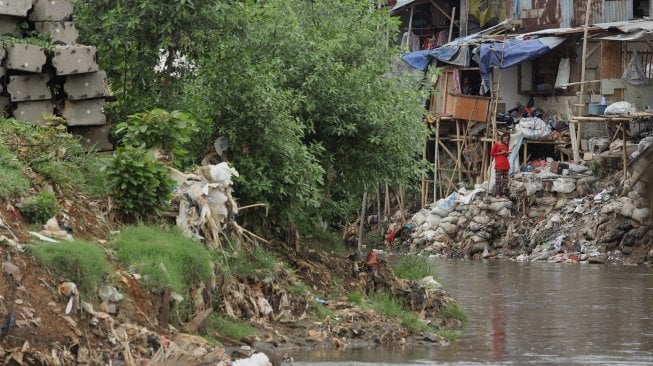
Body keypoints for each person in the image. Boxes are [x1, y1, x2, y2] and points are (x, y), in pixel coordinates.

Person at [490, 132, 511, 198]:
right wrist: (500, 153)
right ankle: (497, 194)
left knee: (505, 180)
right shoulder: (496, 144)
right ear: (502, 137)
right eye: (506, 139)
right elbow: (492, 153)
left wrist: (507, 153)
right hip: (499, 164)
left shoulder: (506, 145)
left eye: (508, 139)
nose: (506, 140)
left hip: (506, 164)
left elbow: (506, 155)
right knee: (498, 180)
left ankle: (503, 193)